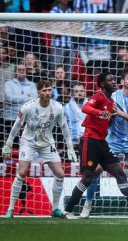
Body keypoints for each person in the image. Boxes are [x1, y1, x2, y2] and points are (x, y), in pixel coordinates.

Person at [62, 71, 128, 219]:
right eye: (110, 80)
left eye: (114, 80)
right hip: (90, 141)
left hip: (103, 142)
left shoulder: (111, 103)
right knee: (88, 177)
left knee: (120, 173)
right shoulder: (99, 96)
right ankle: (68, 211)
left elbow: (116, 120)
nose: (114, 82)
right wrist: (99, 113)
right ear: (103, 84)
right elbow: (85, 108)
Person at [2, 80, 77, 218]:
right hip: (28, 142)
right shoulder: (28, 107)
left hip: (47, 143)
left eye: (49, 90)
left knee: (60, 174)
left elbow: (65, 128)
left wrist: (70, 147)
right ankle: (11, 209)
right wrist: (8, 143)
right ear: (39, 92)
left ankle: (55, 209)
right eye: (44, 91)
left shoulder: (58, 108)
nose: (48, 93)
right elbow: (17, 125)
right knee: (22, 172)